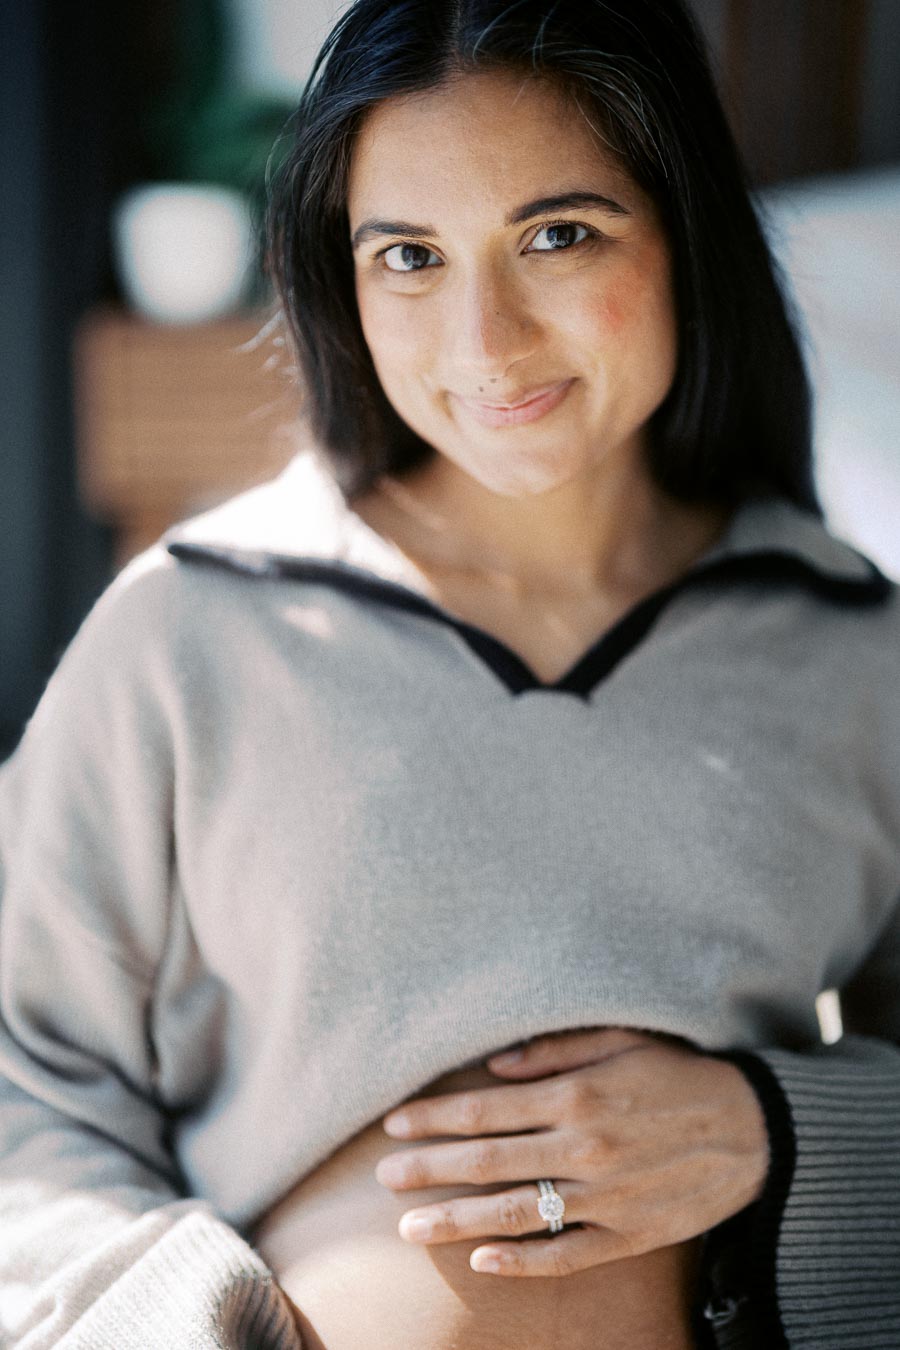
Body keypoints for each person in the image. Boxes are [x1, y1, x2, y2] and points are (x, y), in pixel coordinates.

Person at [1, 1, 898, 1347]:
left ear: (688, 235)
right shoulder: (189, 633)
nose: (485, 341)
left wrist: (777, 1128)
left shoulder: (850, 646)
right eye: (409, 255)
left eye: (558, 234)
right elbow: (21, 1095)